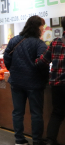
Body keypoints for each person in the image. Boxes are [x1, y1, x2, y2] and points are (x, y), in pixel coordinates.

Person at [4, 15, 48, 145]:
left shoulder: (14, 40)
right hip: (34, 84)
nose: (43, 29)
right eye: (42, 26)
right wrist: (44, 78)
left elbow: (7, 57)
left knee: (17, 112)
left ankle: (19, 140)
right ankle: (37, 140)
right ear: (37, 27)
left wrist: (13, 70)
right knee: (36, 114)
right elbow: (43, 62)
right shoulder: (40, 44)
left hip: (16, 82)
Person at [35, 17, 65, 145]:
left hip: (58, 84)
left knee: (57, 113)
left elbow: (42, 61)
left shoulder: (55, 42)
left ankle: (50, 141)